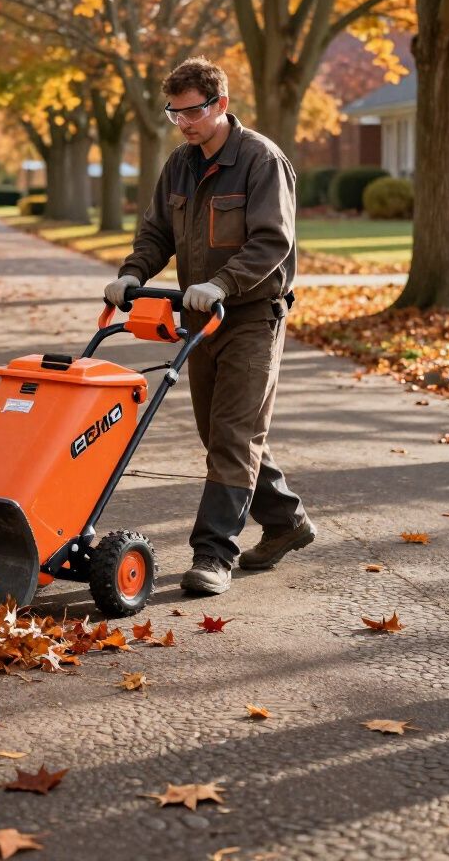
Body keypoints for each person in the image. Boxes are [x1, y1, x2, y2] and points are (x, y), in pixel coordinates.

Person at [104, 57, 314, 595]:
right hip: (201, 318)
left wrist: (222, 283)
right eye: (174, 114)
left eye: (193, 112)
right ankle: (286, 521)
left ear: (221, 104)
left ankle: (213, 554)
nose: (185, 123)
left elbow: (272, 241)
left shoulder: (261, 160)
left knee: (233, 435)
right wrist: (132, 275)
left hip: (250, 315)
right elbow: (156, 233)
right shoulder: (180, 164)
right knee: (220, 433)